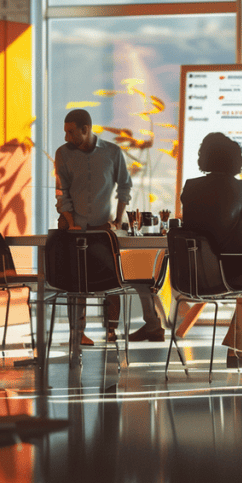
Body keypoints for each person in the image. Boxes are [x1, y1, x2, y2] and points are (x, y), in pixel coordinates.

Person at [55, 108, 148, 345]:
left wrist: (117, 220)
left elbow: (125, 187)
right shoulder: (63, 153)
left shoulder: (112, 152)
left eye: (71, 132)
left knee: (110, 277)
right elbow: (62, 191)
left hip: (104, 227)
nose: (66, 137)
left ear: (86, 130)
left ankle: (111, 329)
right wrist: (71, 222)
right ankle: (77, 333)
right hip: (74, 225)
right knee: (76, 282)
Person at [180, 132, 242, 368]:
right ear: (235, 159)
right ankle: (239, 348)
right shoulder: (240, 188)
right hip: (226, 272)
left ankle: (237, 348)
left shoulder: (190, 187)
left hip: (193, 274)